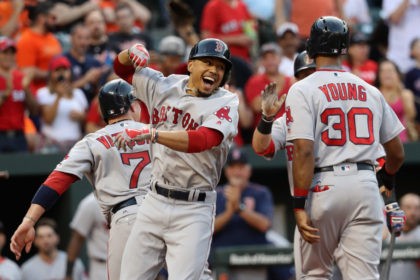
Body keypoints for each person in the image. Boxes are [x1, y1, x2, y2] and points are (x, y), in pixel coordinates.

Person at [284, 16, 406, 279]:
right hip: (365, 185)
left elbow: (304, 151)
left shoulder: (303, 88)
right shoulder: (370, 90)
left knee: (315, 274)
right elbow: (396, 153)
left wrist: (297, 205)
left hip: (324, 185)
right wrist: (387, 176)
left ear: (313, 47)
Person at [113, 37, 239, 279]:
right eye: (208, 62)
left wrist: (152, 134)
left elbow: (203, 140)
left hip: (194, 208)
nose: (214, 70)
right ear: (191, 65)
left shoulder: (226, 101)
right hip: (155, 200)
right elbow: (122, 68)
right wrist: (131, 52)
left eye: (221, 67)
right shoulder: (165, 85)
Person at [10, 79, 152, 280]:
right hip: (164, 212)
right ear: (132, 105)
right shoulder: (157, 133)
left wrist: (29, 220)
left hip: (127, 217)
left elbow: (56, 181)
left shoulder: (92, 141)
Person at [252, 50, 315, 280]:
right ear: (295, 81)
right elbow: (261, 147)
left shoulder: (335, 110)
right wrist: (267, 118)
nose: (308, 80)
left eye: (313, 74)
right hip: (307, 206)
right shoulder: (288, 118)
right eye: (303, 75)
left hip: (332, 193)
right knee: (309, 275)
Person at [211, 146, 292, 280]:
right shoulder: (216, 194)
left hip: (256, 256)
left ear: (248, 170)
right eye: (233, 167)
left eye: (241, 167)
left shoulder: (260, 192)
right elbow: (208, 229)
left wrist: (239, 208)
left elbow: (265, 225)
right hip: (219, 257)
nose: (237, 172)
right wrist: (229, 212)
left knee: (284, 262)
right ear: (226, 171)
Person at [36, 55, 88, 153]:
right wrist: (58, 96)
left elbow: (88, 121)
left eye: (64, 70)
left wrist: (82, 117)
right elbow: (48, 119)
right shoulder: (44, 93)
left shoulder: (78, 93)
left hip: (74, 144)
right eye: (57, 70)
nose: (61, 73)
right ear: (51, 74)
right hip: (51, 143)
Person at [0, 36, 39, 153]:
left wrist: (26, 89)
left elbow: (34, 111)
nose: (9, 56)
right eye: (4, 52)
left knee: (22, 170)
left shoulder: (20, 78)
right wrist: (6, 93)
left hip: (19, 136)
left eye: (12, 53)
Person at [20, 217, 86, 280]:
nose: (45, 240)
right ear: (35, 241)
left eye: (49, 236)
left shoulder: (73, 263)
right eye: (41, 237)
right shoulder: (27, 269)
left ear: (57, 238)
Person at [65, 192, 108, 280]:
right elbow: (78, 238)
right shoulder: (91, 202)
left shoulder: (134, 197)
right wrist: (68, 273)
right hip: (102, 266)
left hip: (129, 263)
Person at [388, 193, 420, 280]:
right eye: (408, 207)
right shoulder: (387, 234)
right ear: (400, 209)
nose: (413, 212)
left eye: (417, 208)